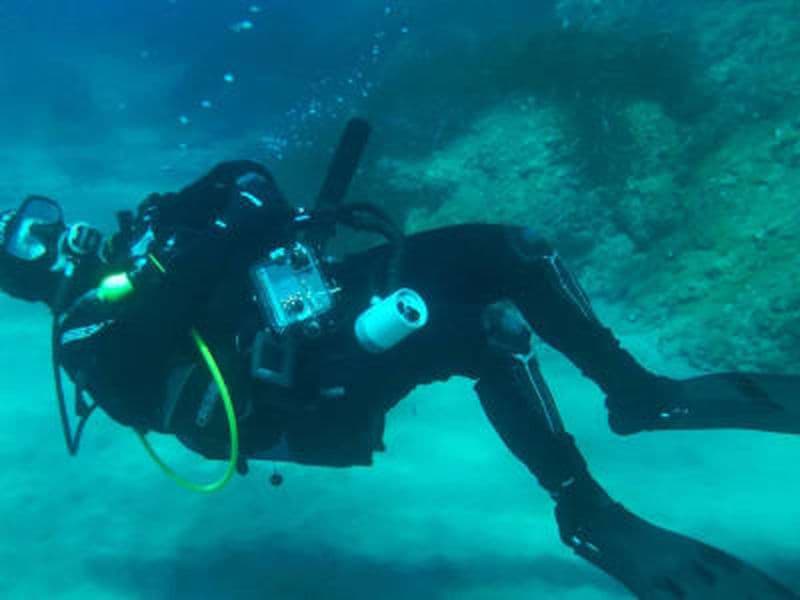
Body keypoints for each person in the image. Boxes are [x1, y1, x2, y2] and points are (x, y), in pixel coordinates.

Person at [1, 122, 798, 599]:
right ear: (26, 277)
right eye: (27, 242)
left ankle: (640, 393)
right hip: (287, 391)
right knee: (487, 334)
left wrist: (211, 225)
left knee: (513, 250)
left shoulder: (142, 240)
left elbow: (245, 181)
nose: (51, 233)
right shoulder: (84, 335)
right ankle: (583, 506)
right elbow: (204, 263)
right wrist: (196, 243)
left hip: (318, 305)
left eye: (37, 219)